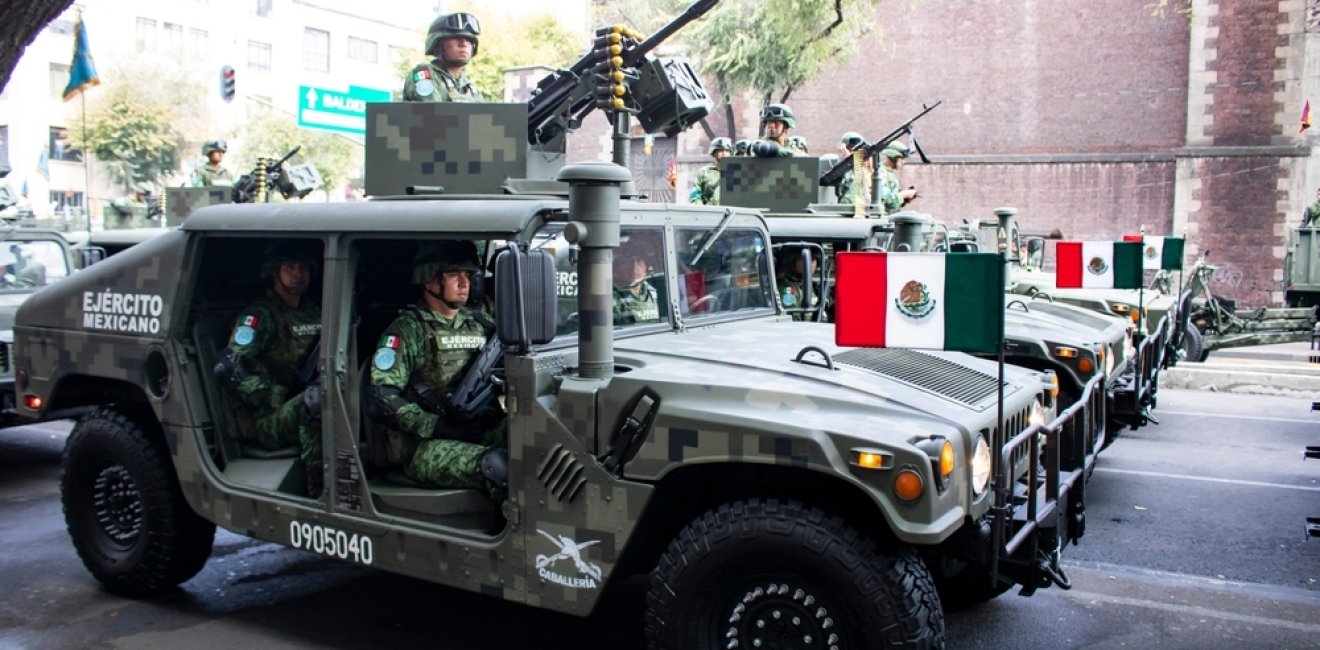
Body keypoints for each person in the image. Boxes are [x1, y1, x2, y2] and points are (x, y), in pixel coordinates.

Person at [366, 241, 508, 516]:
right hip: (422, 446)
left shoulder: (478, 323)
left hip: (475, 427)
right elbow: (381, 399)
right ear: (428, 279)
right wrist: (437, 426)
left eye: (467, 275)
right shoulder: (408, 331)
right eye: (454, 274)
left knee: (537, 446)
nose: (464, 283)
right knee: (498, 467)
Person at [213, 241, 324, 496]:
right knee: (317, 403)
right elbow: (227, 368)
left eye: (304, 268)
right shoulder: (259, 316)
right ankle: (319, 489)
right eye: (290, 267)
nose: (299, 274)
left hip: (300, 399)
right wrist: (268, 394)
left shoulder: (313, 312)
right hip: (265, 419)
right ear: (275, 271)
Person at [403, 12, 484, 102]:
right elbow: (431, 112)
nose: (464, 43)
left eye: (469, 39)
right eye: (456, 37)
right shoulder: (424, 73)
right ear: (438, 44)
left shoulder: (468, 85)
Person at [613, 245, 662, 325]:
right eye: (627, 261)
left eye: (639, 261)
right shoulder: (613, 298)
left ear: (646, 266)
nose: (634, 268)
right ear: (617, 267)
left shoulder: (657, 291)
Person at [777, 249, 824, 322]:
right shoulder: (786, 287)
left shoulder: (814, 286)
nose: (810, 263)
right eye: (804, 259)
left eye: (813, 259)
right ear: (793, 261)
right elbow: (793, 318)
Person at [689, 137, 733, 205]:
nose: (724, 153)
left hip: (731, 213)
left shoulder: (736, 173)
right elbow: (695, 194)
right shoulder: (704, 172)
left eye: (727, 151)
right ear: (714, 152)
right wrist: (700, 208)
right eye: (721, 151)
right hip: (710, 213)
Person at [878, 141, 918, 215]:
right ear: (893, 157)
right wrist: (904, 194)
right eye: (901, 158)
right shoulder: (881, 172)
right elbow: (889, 202)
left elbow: (893, 205)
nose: (903, 162)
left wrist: (905, 200)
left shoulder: (889, 172)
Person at [835, 132, 870, 205]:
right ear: (844, 149)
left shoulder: (862, 168)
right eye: (852, 150)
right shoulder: (838, 168)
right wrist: (848, 159)